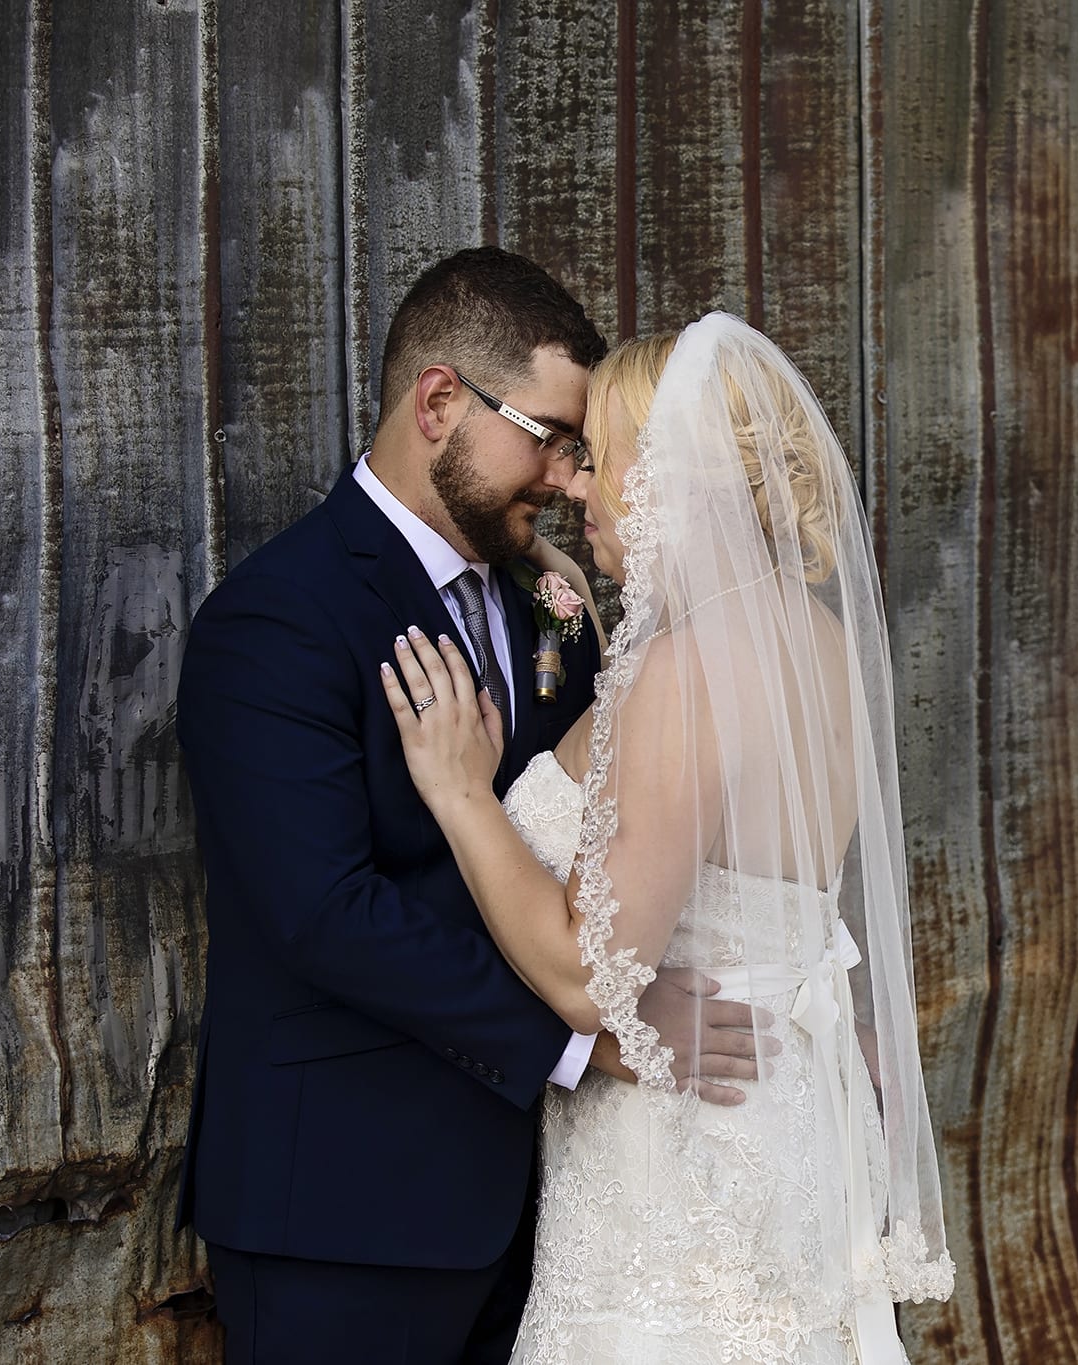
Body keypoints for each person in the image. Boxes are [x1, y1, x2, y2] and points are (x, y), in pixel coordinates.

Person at [176, 249, 762, 1364]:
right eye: (547, 435)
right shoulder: (275, 621)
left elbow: (624, 834)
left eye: (581, 448)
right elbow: (322, 912)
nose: (566, 473)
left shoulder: (551, 602)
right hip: (347, 1208)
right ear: (440, 401)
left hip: (545, 1209)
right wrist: (586, 1043)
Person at [378, 314, 954, 1362]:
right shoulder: (812, 644)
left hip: (678, 1160)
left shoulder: (684, 674)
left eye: (599, 460)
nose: (576, 487)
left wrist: (463, 797)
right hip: (779, 1124)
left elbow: (594, 986)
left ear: (671, 477)